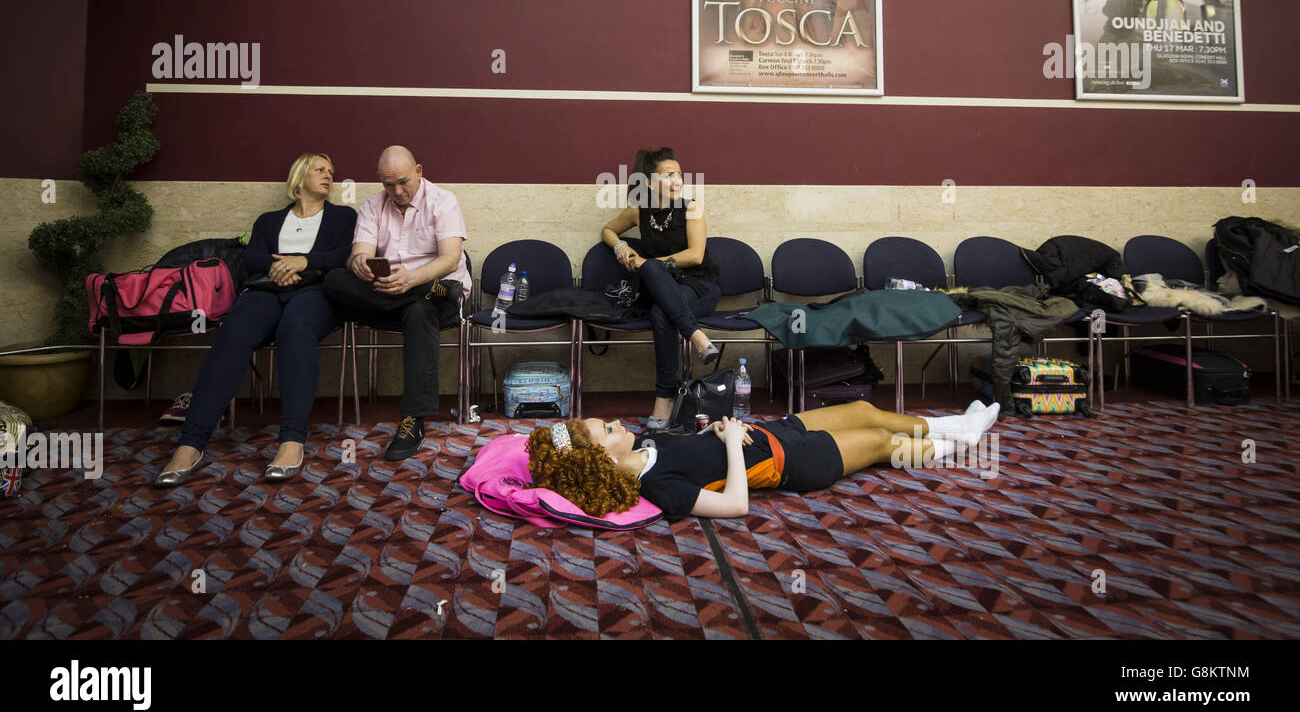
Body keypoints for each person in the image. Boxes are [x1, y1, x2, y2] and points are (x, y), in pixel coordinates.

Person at [155, 153, 357, 487]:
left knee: (295, 326)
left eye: (331, 172)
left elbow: (344, 255)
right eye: (320, 170)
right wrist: (281, 269)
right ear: (299, 176)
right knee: (235, 330)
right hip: (267, 290)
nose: (329, 176)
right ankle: (190, 443)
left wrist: (301, 263)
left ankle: (292, 440)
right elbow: (253, 259)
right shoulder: (268, 220)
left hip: (316, 293)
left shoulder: (343, 217)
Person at [527, 400, 1001, 521]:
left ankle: (953, 422)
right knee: (879, 440)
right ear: (600, 464)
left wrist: (713, 430)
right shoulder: (658, 487)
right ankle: (961, 441)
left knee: (862, 410)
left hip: (776, 431)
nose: (615, 425)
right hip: (794, 464)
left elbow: (700, 452)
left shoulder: (649, 447)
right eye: (606, 432)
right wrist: (732, 443)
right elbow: (735, 504)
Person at [323, 145, 471, 460]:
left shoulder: (443, 201)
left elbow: (450, 259)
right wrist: (360, 262)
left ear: (419, 171)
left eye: (403, 182)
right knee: (334, 279)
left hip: (435, 288)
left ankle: (412, 421)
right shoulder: (372, 206)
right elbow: (357, 254)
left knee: (420, 309)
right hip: (391, 291)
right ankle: (414, 296)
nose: (397, 191)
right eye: (388, 184)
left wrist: (413, 278)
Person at [600, 147, 721, 431]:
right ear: (650, 183)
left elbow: (695, 256)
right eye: (669, 175)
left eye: (679, 174)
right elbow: (607, 230)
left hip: (700, 285)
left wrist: (648, 264)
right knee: (656, 289)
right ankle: (696, 335)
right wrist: (621, 246)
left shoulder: (692, 209)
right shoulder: (639, 212)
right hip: (665, 288)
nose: (678, 180)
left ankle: (664, 398)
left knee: (659, 309)